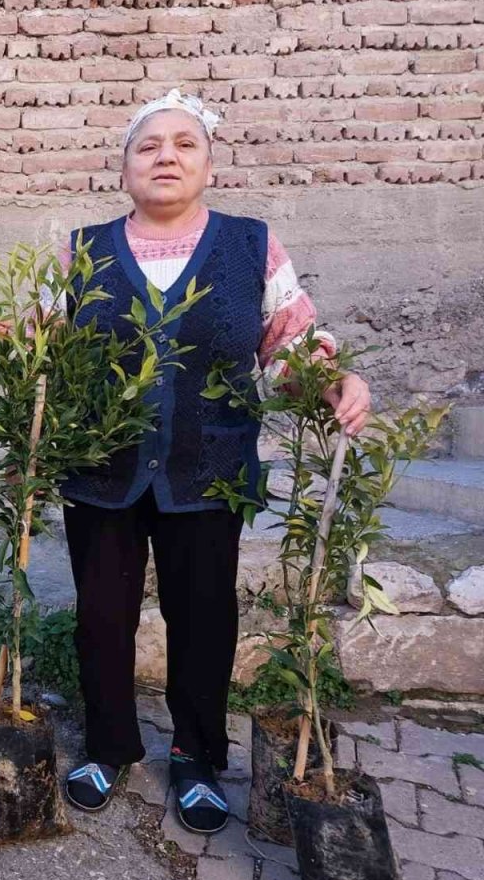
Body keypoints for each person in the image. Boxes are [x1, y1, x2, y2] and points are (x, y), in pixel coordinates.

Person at [58, 89, 371, 834]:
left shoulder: (251, 244)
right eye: (148, 146)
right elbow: (41, 345)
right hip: (103, 469)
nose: (166, 156)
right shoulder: (83, 249)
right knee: (102, 618)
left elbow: (290, 346)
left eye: (184, 144)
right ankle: (109, 746)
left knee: (203, 619)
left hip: (211, 467)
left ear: (210, 163)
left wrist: (336, 380)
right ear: (124, 168)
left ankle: (198, 759)